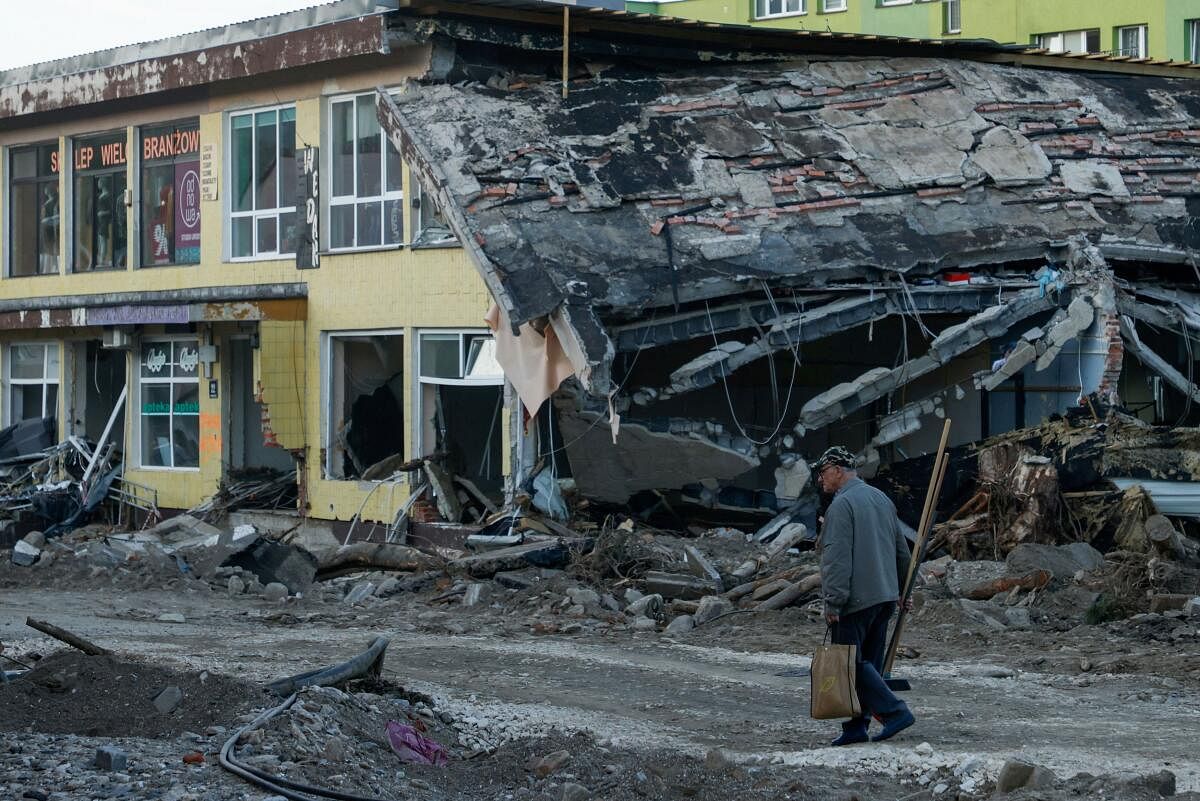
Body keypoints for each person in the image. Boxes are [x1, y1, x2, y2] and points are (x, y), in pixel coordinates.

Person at [814, 445, 915, 745]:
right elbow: (901, 550)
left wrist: (833, 601)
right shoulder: (880, 498)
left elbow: (837, 558)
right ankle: (856, 727)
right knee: (867, 664)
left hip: (855, 599)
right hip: (884, 597)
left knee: (851, 665)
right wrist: (902, 591)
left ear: (836, 469)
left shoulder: (842, 505)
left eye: (823, 473)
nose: (821, 481)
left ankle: (895, 712)